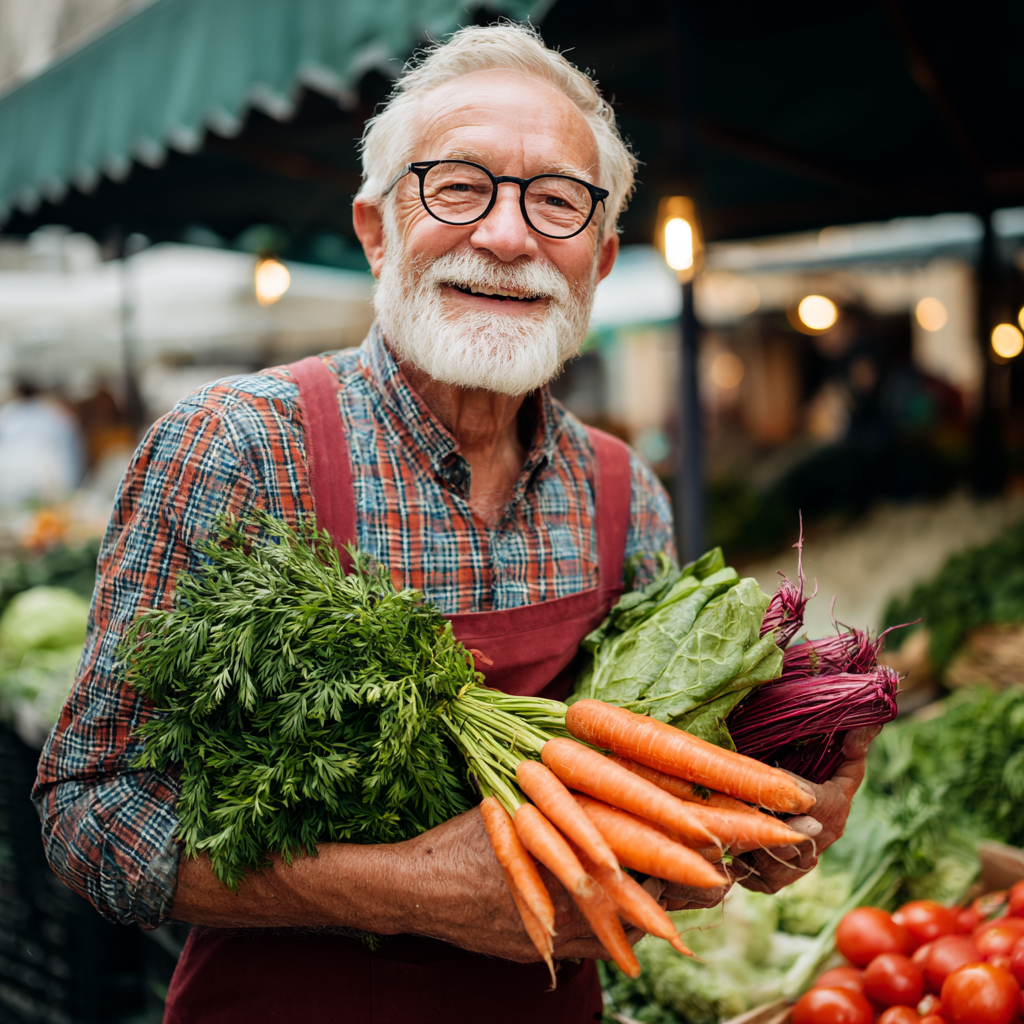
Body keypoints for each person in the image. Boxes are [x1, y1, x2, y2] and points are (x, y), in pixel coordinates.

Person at [34, 24, 876, 1024]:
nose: (509, 237)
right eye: (457, 184)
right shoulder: (238, 447)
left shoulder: (622, 492)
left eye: (556, 201)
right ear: (377, 227)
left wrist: (764, 824)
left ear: (600, 258)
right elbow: (88, 813)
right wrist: (411, 885)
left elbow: (660, 806)